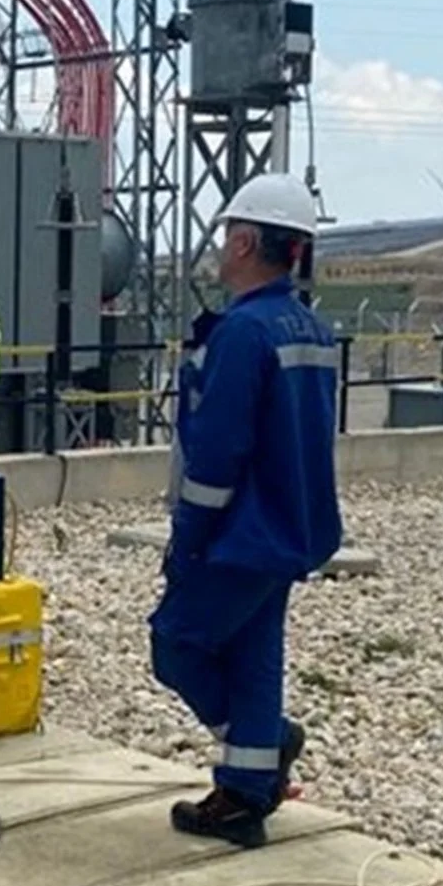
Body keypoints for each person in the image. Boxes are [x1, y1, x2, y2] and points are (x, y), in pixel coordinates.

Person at [152, 172, 344, 848]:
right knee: (256, 656)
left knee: (176, 644)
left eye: (227, 234)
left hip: (238, 533)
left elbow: (217, 451)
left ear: (244, 241)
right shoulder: (312, 329)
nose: (221, 246)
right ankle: (244, 795)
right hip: (291, 530)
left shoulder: (242, 333)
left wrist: (189, 536)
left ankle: (256, 754)